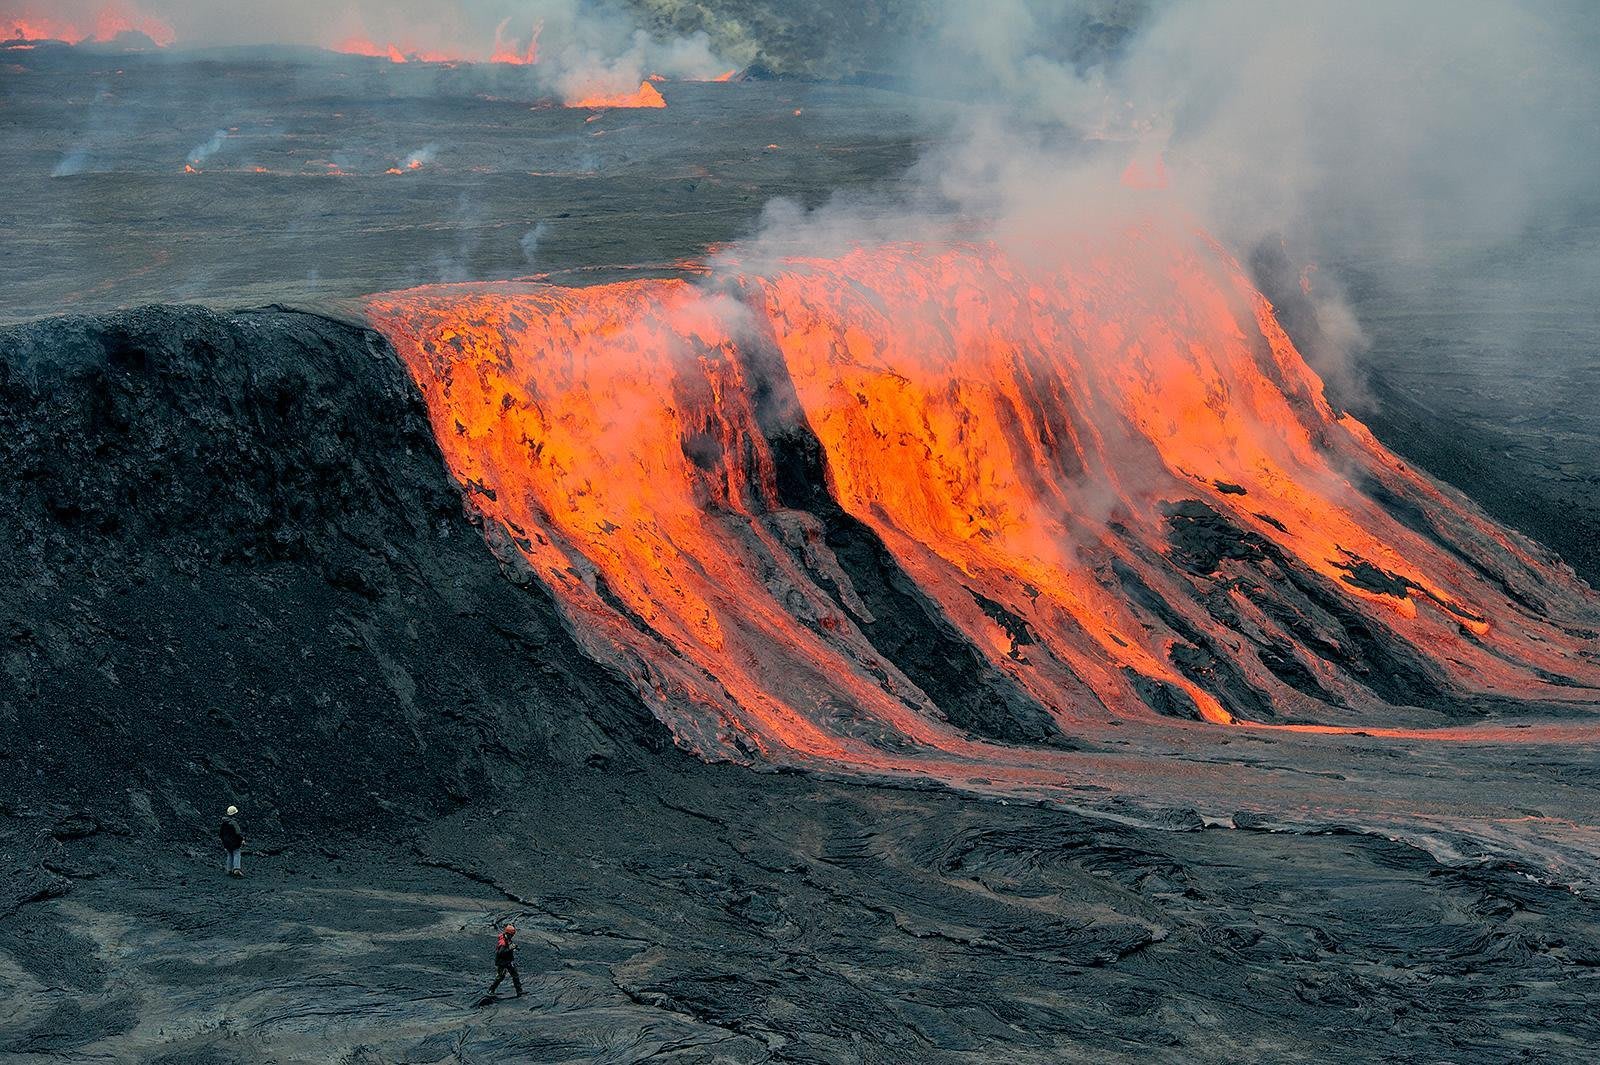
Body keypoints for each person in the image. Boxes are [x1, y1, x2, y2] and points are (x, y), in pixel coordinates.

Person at [487, 924, 523, 997]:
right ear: (508, 933)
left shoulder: (507, 938)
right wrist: (510, 948)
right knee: (500, 976)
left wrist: (515, 947)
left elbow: (510, 944)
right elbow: (500, 953)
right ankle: (491, 989)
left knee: (515, 975)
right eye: (511, 935)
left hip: (508, 961)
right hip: (502, 962)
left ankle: (519, 991)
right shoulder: (502, 942)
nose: (512, 936)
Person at [219, 805, 244, 877]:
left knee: (229, 855)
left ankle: (229, 869)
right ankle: (236, 869)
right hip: (235, 842)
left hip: (226, 843)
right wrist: (241, 840)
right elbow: (238, 833)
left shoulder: (223, 823)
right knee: (236, 853)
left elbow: (220, 834)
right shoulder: (233, 823)